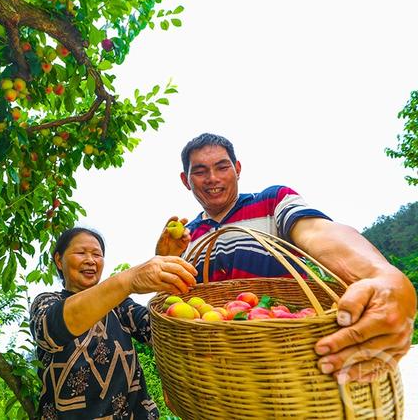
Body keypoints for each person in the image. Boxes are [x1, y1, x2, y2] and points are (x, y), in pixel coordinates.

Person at [157, 132, 417, 384]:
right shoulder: (188, 237)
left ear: (237, 168)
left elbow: (318, 232)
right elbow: (177, 307)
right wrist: (164, 260)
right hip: (223, 377)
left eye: (222, 167)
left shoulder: (272, 202)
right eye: (200, 171)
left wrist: (380, 274)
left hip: (290, 361)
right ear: (185, 180)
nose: (212, 178)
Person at [30, 227, 197, 419]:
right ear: (59, 260)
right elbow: (50, 330)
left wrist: (166, 264)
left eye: (97, 254)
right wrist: (128, 280)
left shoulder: (119, 306)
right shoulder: (46, 302)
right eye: (81, 252)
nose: (91, 260)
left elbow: (160, 332)